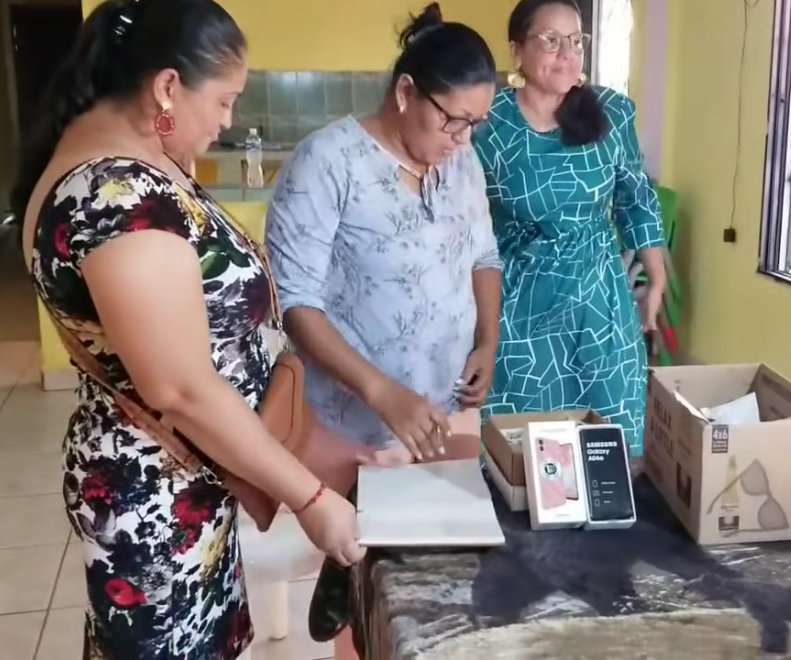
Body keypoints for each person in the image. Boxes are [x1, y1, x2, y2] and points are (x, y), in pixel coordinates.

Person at [11, 1, 364, 657]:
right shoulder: (116, 196)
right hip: (156, 499)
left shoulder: (132, 163)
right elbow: (179, 389)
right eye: (225, 100)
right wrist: (311, 498)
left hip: (186, 481)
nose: (228, 120)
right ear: (168, 87)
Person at [265, 3, 502, 467]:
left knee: (448, 515)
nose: (463, 138)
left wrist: (487, 342)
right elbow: (293, 300)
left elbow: (484, 256)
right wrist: (381, 392)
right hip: (346, 426)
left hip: (443, 416)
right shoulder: (329, 162)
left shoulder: (462, 163)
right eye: (454, 119)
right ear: (405, 92)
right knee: (350, 517)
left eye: (476, 123)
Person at [472, 0, 668, 455]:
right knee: (521, 440)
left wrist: (655, 279)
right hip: (519, 299)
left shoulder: (612, 112)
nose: (567, 53)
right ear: (516, 49)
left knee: (607, 434)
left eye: (576, 41)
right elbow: (461, 218)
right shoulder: (488, 123)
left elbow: (635, 199)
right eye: (551, 40)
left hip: (598, 296)